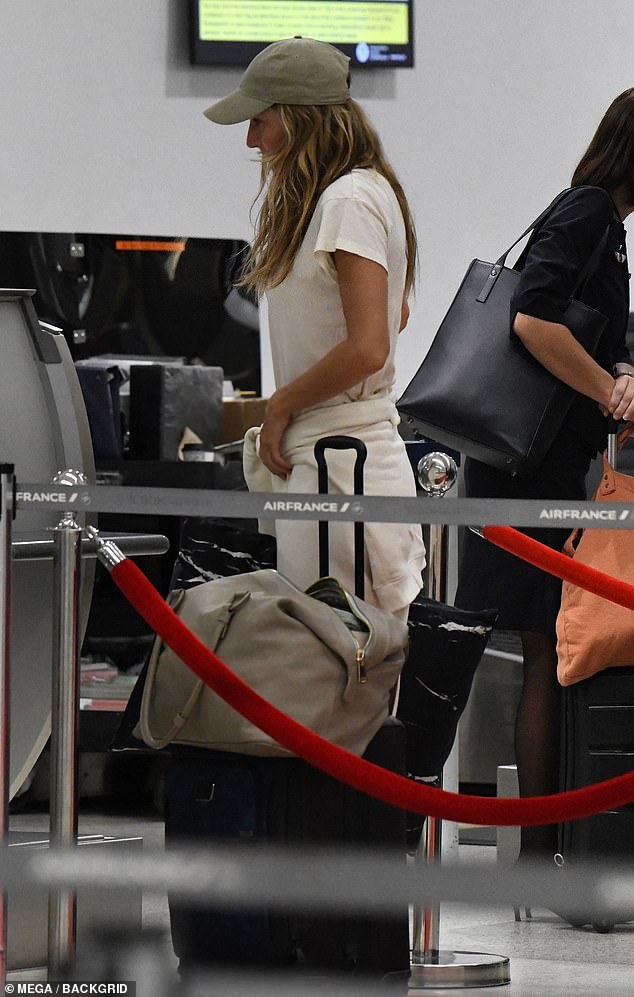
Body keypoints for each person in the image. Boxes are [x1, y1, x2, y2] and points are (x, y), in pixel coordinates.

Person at [455, 88, 634, 865]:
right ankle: (537, 850)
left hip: (545, 461)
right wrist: (605, 387)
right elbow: (532, 316)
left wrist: (619, 370)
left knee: (545, 645)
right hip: (523, 465)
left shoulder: (608, 226)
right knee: (538, 645)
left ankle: (547, 843)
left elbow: (586, 323)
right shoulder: (590, 210)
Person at [203, 36, 425, 619]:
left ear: (299, 120)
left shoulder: (347, 199)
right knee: (335, 674)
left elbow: (370, 344)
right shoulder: (356, 194)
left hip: (341, 463)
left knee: (330, 675)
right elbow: (392, 318)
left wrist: (283, 404)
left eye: (260, 120)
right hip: (337, 458)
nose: (252, 139)